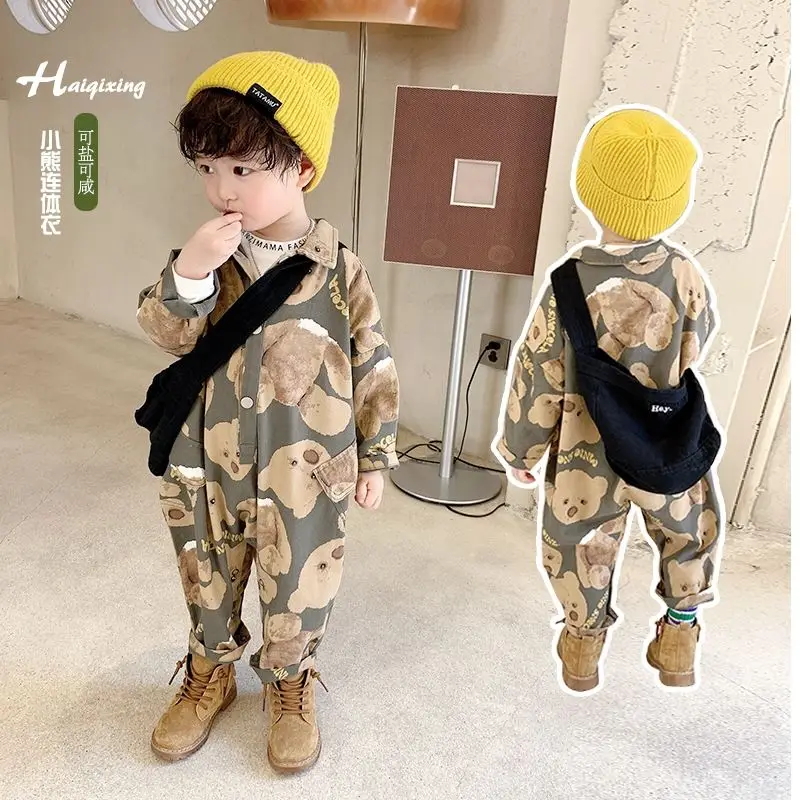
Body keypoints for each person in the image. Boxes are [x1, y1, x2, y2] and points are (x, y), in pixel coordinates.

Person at [136, 51, 400, 771]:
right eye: (207, 168)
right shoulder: (206, 258)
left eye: (243, 169)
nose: (222, 188)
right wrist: (190, 271)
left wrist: (375, 456)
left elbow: (373, 362)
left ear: (302, 168)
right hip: (206, 461)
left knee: (301, 580)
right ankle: (209, 671)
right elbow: (168, 334)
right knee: (206, 572)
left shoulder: (339, 269)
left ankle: (290, 681)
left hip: (307, 469)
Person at [492, 105, 724, 694]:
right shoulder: (685, 272)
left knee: (579, 549)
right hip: (666, 438)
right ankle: (679, 638)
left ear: (589, 191)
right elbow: (701, 335)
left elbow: (538, 373)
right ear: (675, 201)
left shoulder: (569, 284)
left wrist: (521, 449)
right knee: (688, 529)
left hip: (584, 453)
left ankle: (582, 651)